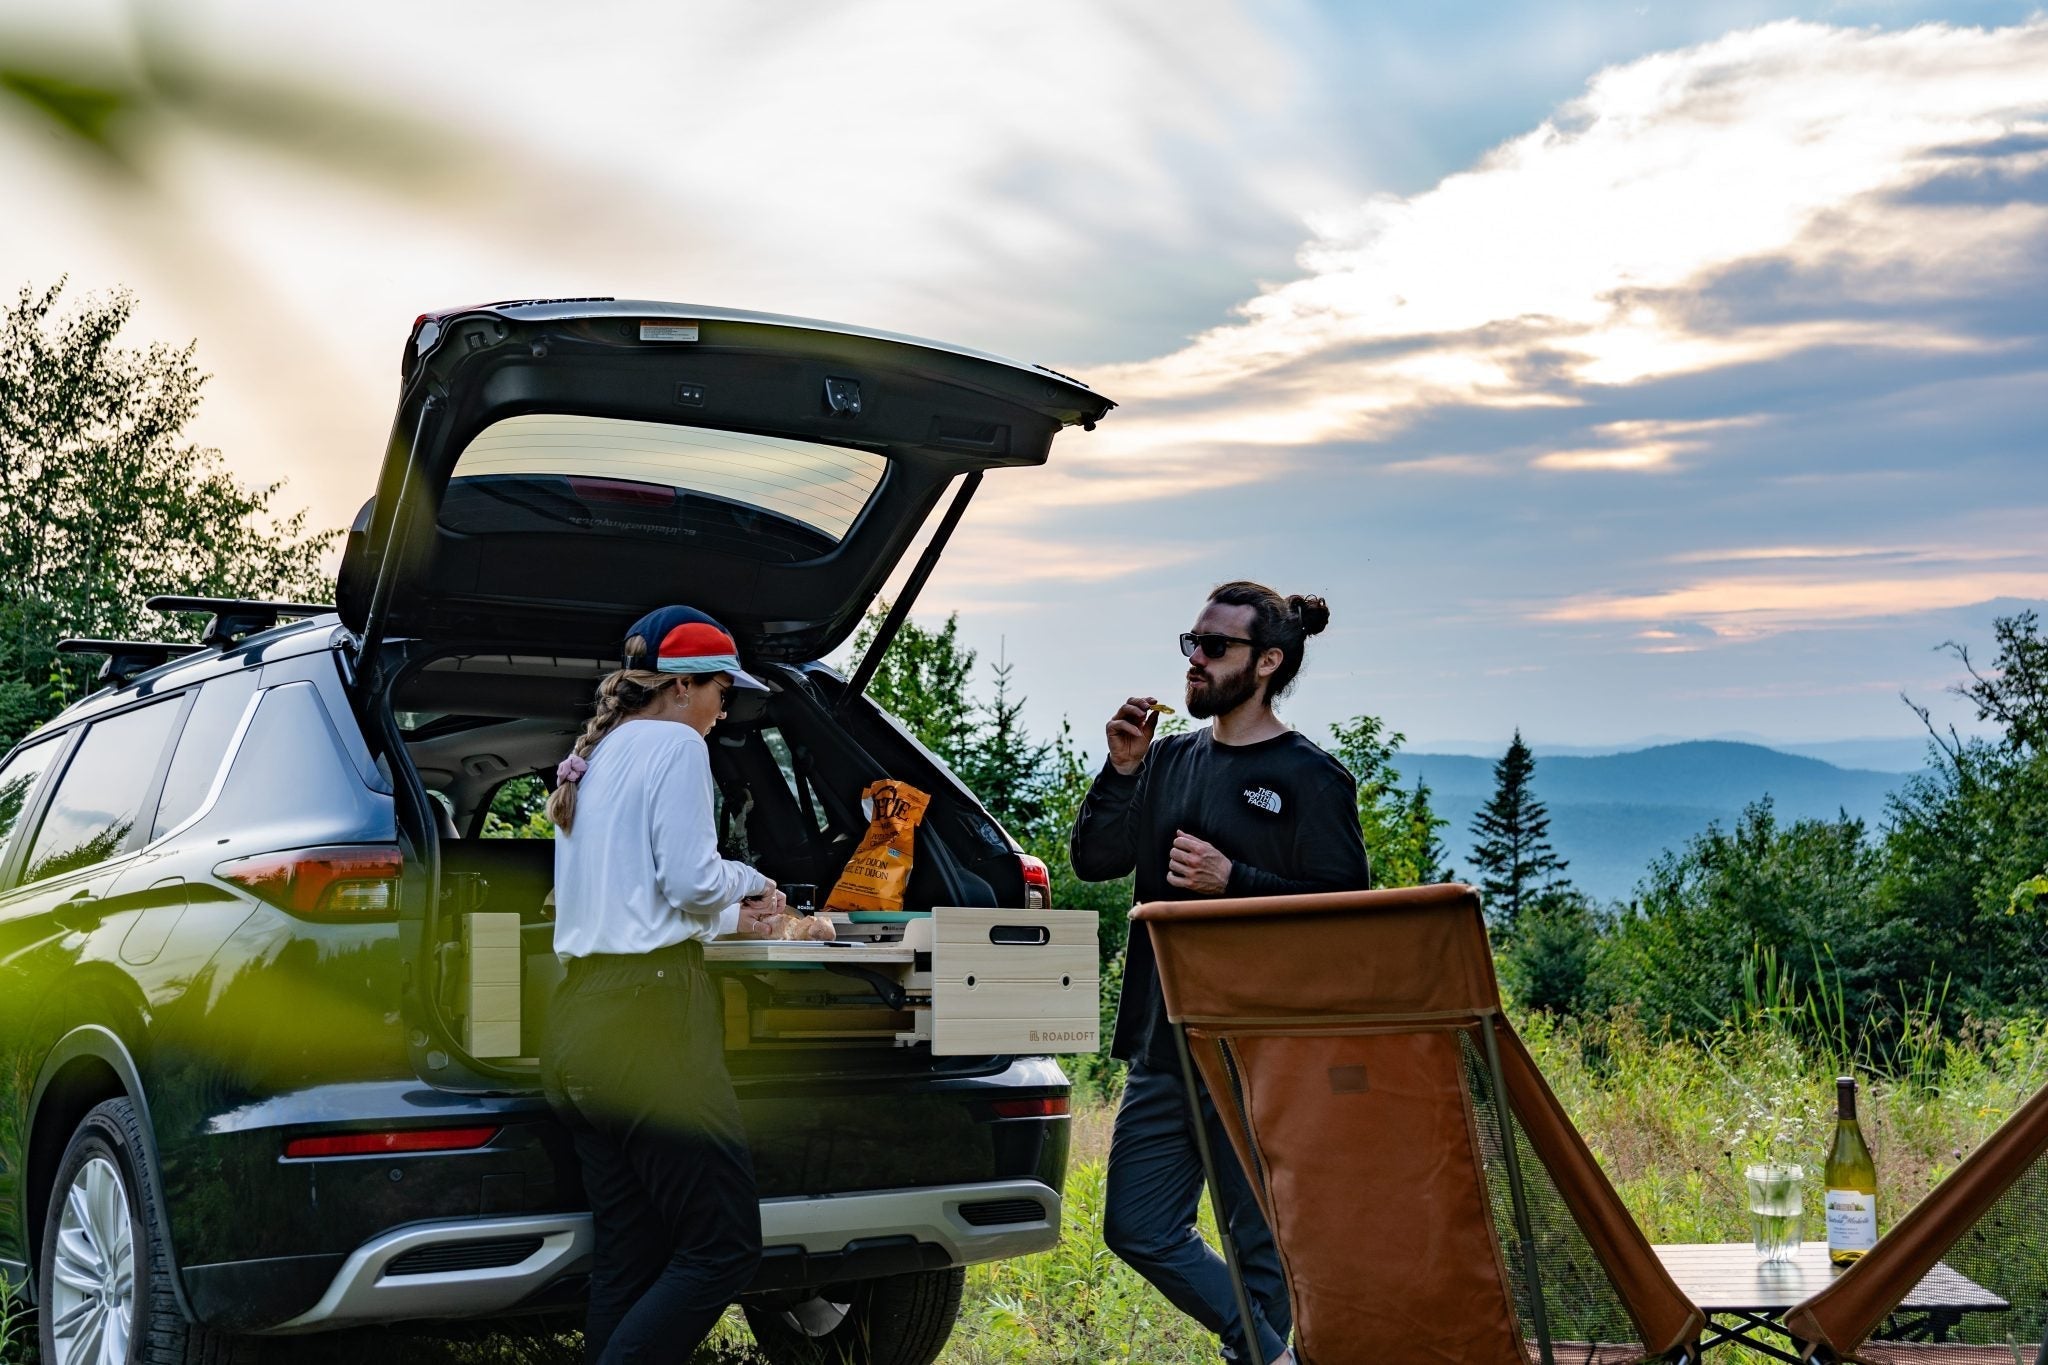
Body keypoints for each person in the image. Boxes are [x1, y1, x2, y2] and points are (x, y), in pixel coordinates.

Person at [1072, 580, 1372, 1365]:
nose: (1194, 661)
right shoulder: (1168, 759)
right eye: (1191, 644)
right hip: (1166, 1041)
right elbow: (1095, 858)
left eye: (1215, 647)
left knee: (1259, 1248)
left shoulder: (1313, 778)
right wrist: (1123, 769)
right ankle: (1273, 1356)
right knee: (1135, 1224)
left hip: (1260, 1052)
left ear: (1267, 662)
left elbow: (1349, 921)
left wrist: (1234, 881)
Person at [542, 605, 783, 1363]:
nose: (723, 710)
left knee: (630, 1251)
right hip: (650, 1023)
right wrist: (754, 878)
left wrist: (727, 911)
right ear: (682, 686)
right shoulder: (677, 747)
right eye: (721, 690)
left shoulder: (597, 756)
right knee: (725, 1246)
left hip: (578, 1022)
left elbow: (644, 896)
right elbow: (689, 878)